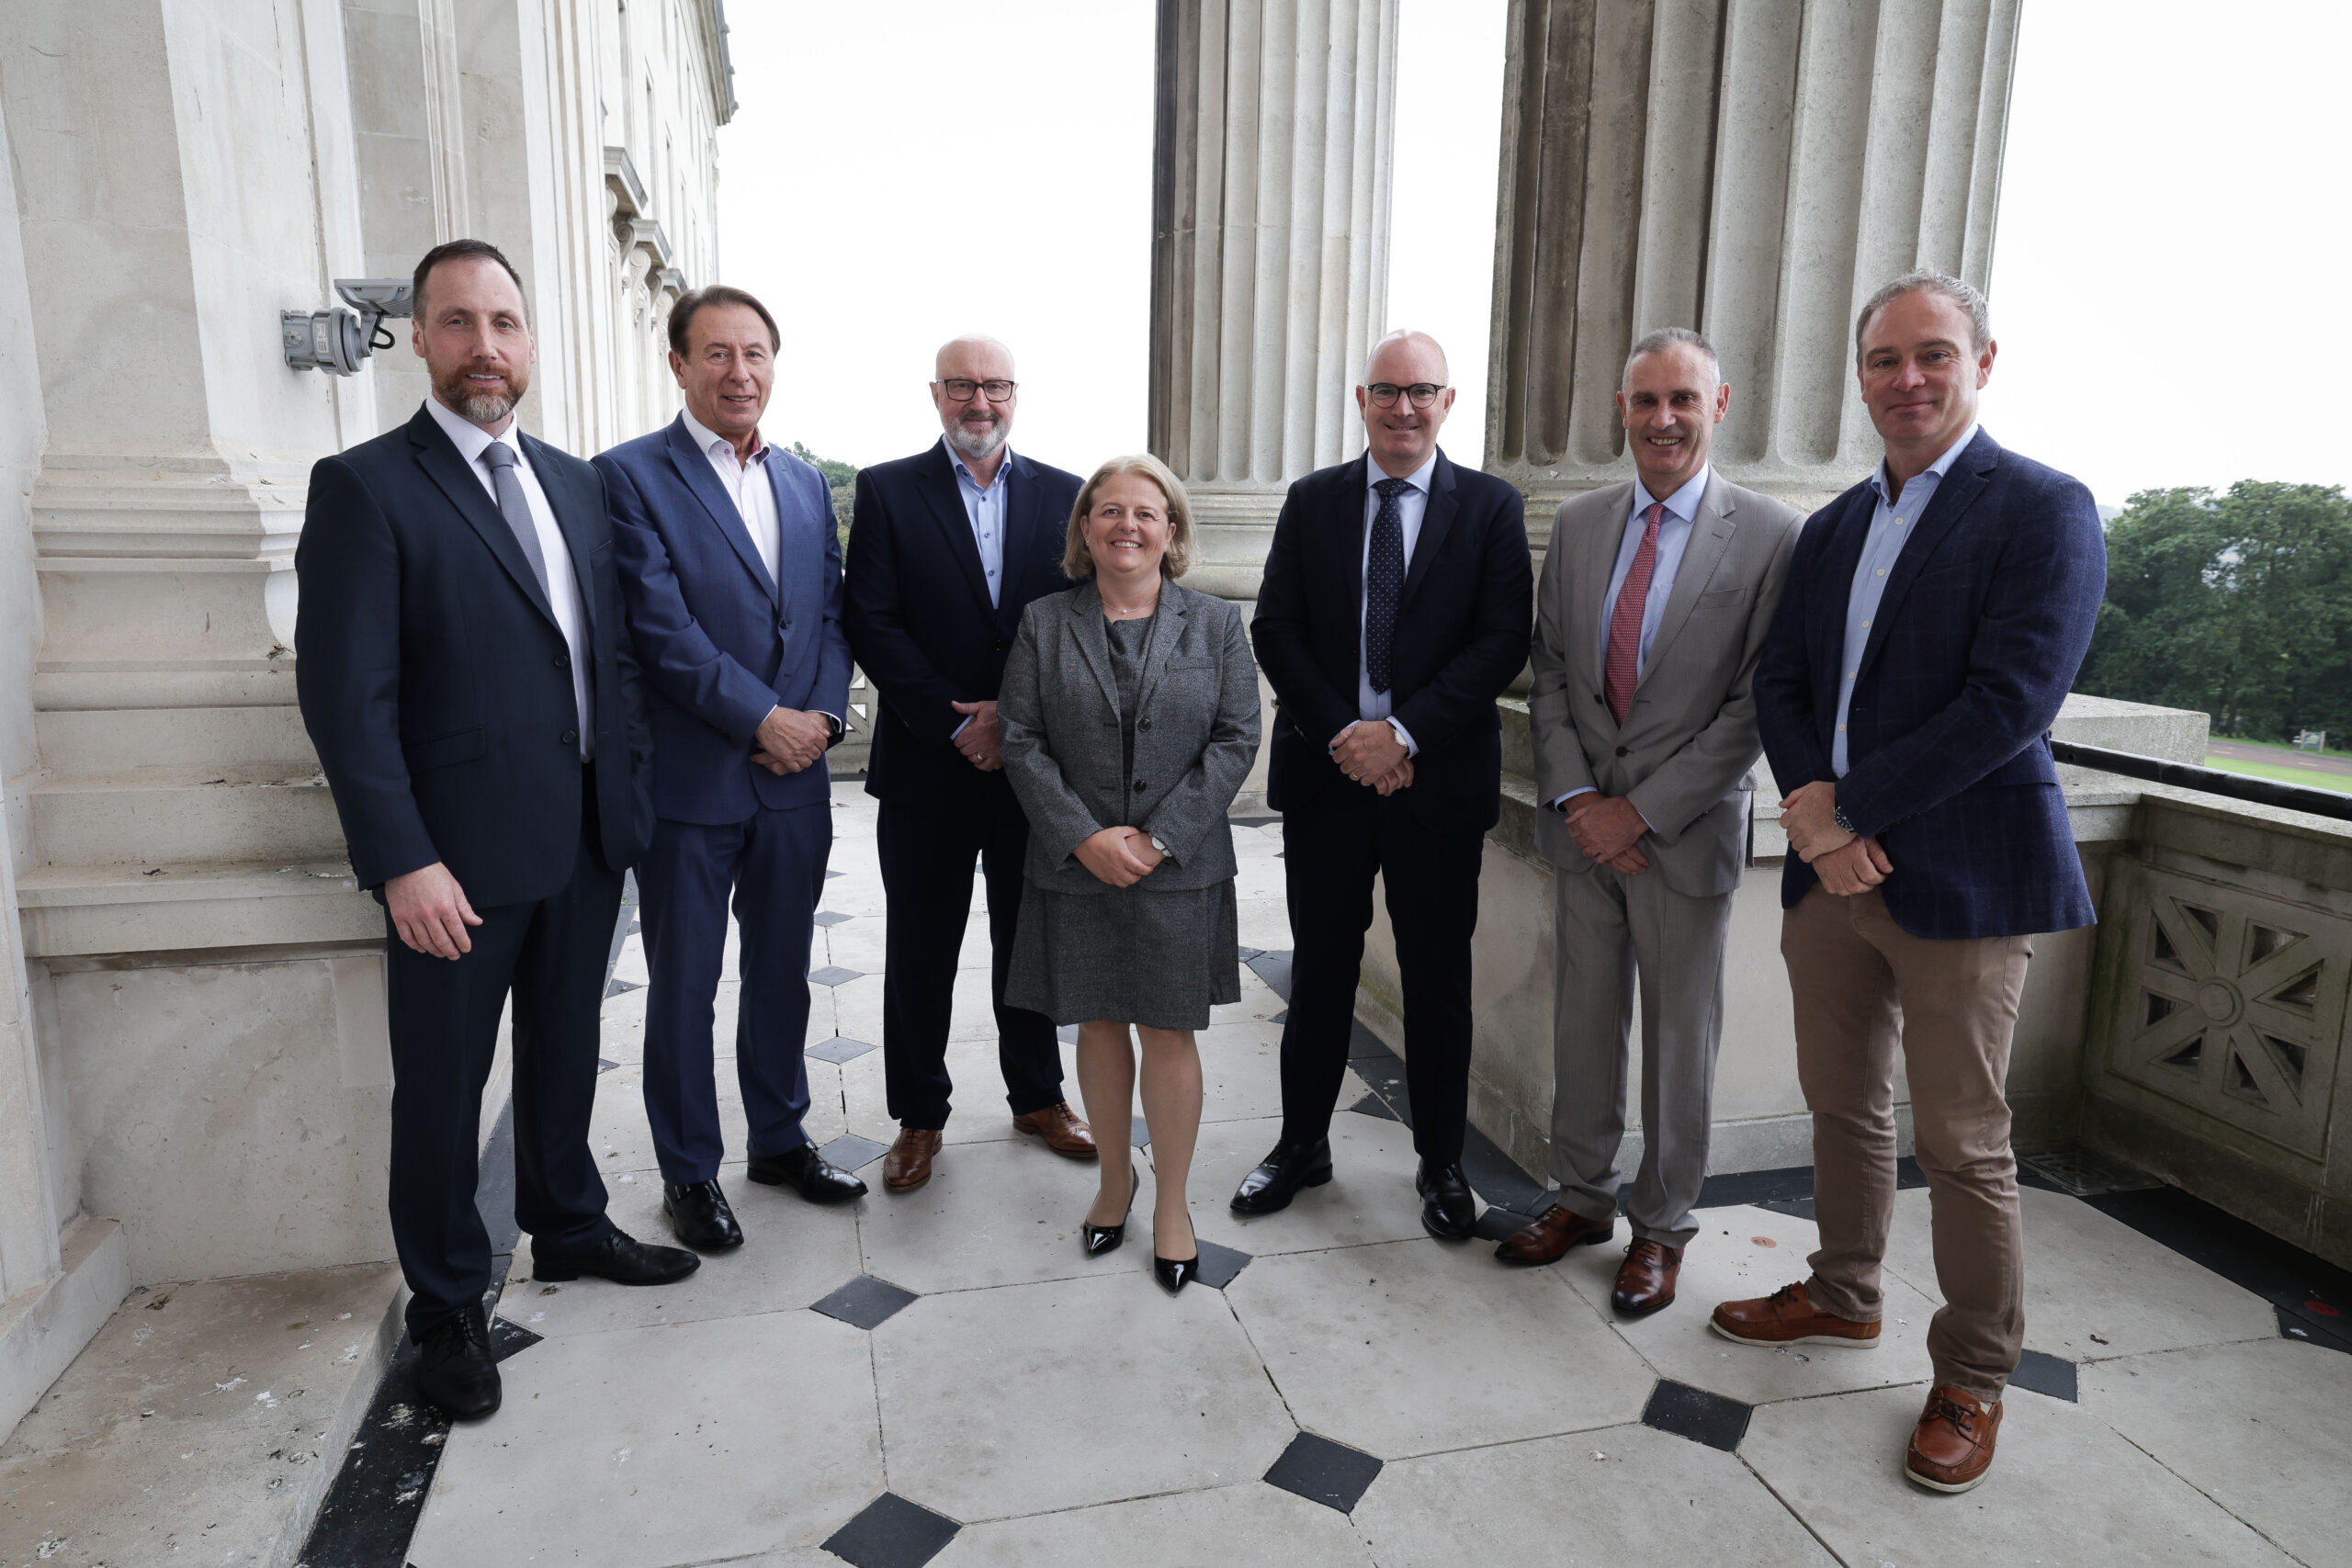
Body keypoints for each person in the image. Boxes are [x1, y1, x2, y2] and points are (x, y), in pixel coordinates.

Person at [1714, 271, 2105, 1495]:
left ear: (1982, 361)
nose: (1907, 379)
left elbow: (2012, 700)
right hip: (1833, 878)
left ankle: (1974, 1375)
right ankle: (1843, 1292)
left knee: (1964, 1143)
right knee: (1841, 1105)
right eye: (1884, 359)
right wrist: (1813, 812)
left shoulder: (2042, 507)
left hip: (1964, 880)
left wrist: (1848, 811)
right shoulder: (1833, 525)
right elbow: (1783, 681)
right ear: (1861, 376)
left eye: (1933, 353)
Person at [295, 240, 696, 1422]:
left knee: (566, 1053)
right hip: (453, 864)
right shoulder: (365, 486)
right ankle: (446, 1308)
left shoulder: (577, 484)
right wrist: (402, 860)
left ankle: (566, 1223)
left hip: (585, 841)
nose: (485, 346)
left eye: (504, 323)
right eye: (459, 322)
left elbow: (610, 660)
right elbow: (346, 698)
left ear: (529, 341)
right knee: (441, 1091)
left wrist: (625, 796)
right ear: (419, 338)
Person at [1503, 328, 1802, 1315]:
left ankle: (1663, 1228)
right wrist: (1580, 801)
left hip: (1685, 836)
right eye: (1645, 400)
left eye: (1683, 399)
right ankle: (1580, 1198)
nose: (1663, 419)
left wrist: (1640, 810)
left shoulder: (1771, 533)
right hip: (1583, 830)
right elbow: (1551, 672)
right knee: (1583, 1030)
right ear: (1622, 410)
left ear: (1719, 406)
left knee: (1681, 1047)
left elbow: (1756, 703)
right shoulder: (1581, 522)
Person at [1235, 330, 1533, 1239]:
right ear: (1362, 401)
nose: (1405, 408)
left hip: (1434, 787)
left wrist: (1401, 734)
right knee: (1320, 972)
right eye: (1388, 391)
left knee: (1438, 982)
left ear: (1447, 403)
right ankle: (1301, 1145)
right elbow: (1276, 628)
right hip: (1328, 781)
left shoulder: (1491, 506)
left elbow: (1501, 641)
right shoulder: (1312, 500)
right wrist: (1347, 735)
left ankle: (1442, 1164)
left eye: (1422, 391)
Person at [594, 285, 867, 1254]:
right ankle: (688, 1171)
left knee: (783, 972)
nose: (738, 372)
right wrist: (761, 719)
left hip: (794, 784)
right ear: (678, 364)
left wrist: (821, 716)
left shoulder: (803, 482)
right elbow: (658, 628)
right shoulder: (627, 476)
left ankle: (781, 1140)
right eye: (716, 353)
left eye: (754, 353)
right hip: (692, 783)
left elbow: (829, 612)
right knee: (685, 986)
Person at [998, 457, 1261, 1293]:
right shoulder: (1045, 622)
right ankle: (1116, 1183)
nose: (1128, 526)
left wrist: (1158, 838)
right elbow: (1020, 739)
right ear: (1085, 527)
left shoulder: (1215, 623)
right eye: (1109, 510)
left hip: (1178, 869)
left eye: (1147, 512)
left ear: (1171, 530)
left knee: (1169, 1033)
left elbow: (1236, 737)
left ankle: (1173, 1203)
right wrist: (1083, 837)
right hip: (1076, 867)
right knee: (1100, 1026)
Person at [842, 337, 1097, 1191]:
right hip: (927, 762)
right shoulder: (887, 490)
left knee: (1029, 940)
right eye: (961, 385)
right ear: (936, 393)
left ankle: (1038, 1096)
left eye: (994, 386)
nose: (978, 401)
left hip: (1034, 770)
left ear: (1015, 394)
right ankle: (919, 1115)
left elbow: (1079, 621)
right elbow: (870, 619)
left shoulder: (1067, 494)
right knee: (922, 948)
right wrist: (954, 724)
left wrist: (1010, 719)